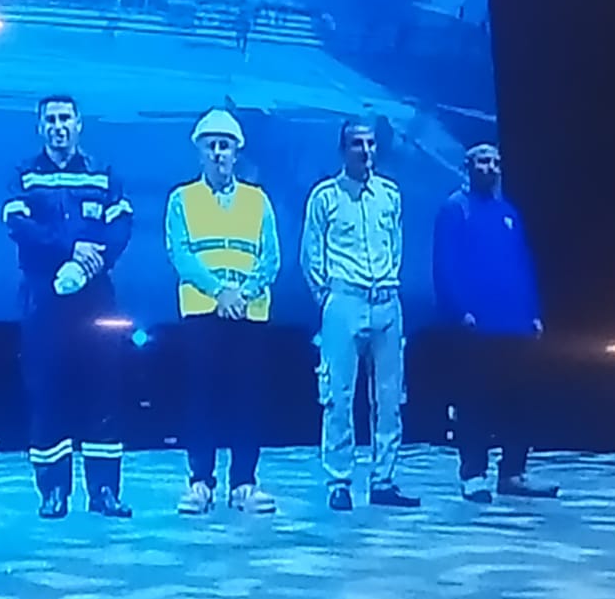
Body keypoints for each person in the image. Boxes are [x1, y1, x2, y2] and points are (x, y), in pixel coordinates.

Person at [3, 94, 134, 519]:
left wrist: (92, 262)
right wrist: (69, 249)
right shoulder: (24, 175)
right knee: (47, 390)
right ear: (40, 127)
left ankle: (104, 491)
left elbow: (121, 226)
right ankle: (53, 492)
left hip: (96, 296)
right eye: (51, 119)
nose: (59, 126)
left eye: (66, 118)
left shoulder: (102, 173)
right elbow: (18, 226)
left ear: (79, 124)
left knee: (103, 387)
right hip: (42, 297)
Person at [301, 117, 421, 511]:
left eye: (370, 144)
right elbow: (311, 255)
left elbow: (396, 245)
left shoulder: (390, 194)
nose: (366, 151)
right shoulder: (325, 196)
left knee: (389, 397)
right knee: (338, 394)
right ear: (343, 150)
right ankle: (339, 480)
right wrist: (328, 299)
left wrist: (386, 284)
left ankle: (383, 478)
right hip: (345, 300)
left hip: (386, 301)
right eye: (357, 144)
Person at [165, 109, 281, 515]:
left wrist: (242, 293)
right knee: (202, 398)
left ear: (237, 152)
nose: (218, 152)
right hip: (202, 313)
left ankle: (244, 484)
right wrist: (219, 292)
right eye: (211, 145)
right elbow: (181, 254)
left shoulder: (257, 199)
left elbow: (270, 257)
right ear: (199, 151)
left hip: (249, 314)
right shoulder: (181, 199)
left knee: (247, 399)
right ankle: (201, 483)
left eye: (225, 145)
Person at [433, 142, 560, 503]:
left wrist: (533, 312)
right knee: (475, 401)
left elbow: (522, 265)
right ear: (468, 166)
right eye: (483, 161)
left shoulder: (508, 212)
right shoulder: (455, 208)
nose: (490, 168)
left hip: (515, 324)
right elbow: (444, 265)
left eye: (495, 162)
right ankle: (473, 474)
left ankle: (514, 473)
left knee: (518, 399)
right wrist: (459, 311)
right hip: (476, 326)